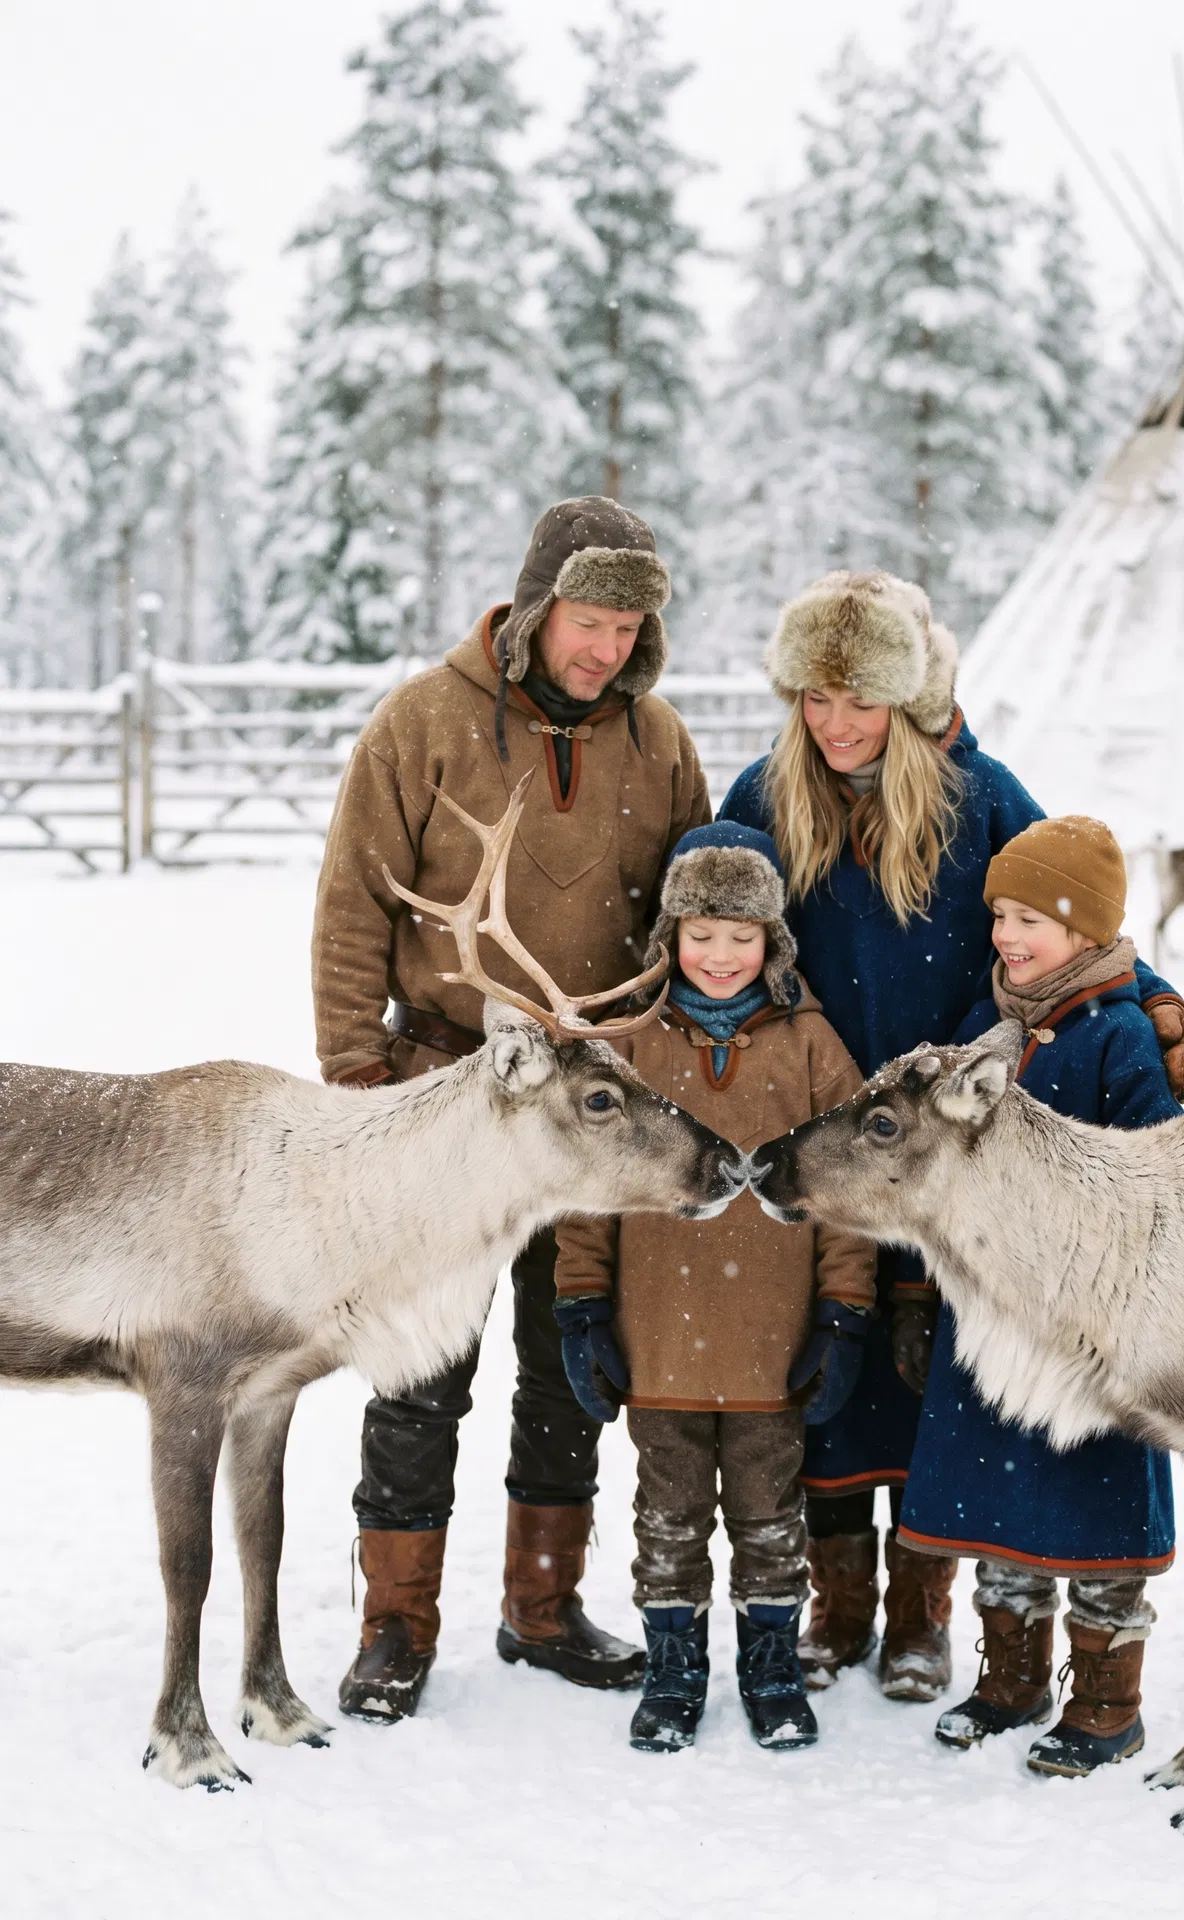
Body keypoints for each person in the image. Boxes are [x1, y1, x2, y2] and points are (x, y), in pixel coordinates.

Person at [719, 570, 1184, 1703]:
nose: (836, 725)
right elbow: (709, 907)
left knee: (936, 1375)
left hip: (952, 1146)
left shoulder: (975, 793)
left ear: (905, 699)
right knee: (831, 1376)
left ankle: (920, 1614)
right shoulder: (764, 792)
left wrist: (1157, 999)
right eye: (816, 700)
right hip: (823, 1135)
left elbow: (1070, 914)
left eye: (860, 702)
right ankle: (839, 1604)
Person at [311, 496, 710, 1721]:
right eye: (590, 622)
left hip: (593, 1108)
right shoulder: (423, 723)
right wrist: (355, 1075)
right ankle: (396, 1622)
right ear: (539, 608)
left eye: (629, 625)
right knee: (421, 1367)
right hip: (444, 1091)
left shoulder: (658, 741)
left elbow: (696, 908)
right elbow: (349, 910)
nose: (607, 648)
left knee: (568, 1360)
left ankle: (542, 1605)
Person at [553, 822, 878, 1753]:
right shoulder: (630, 1048)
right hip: (656, 1336)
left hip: (775, 1343)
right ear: (669, 938)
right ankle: (673, 1663)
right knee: (667, 1510)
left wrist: (844, 1314)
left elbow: (849, 1192)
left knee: (773, 1512)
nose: (722, 955)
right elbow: (589, 1193)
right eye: (702, 933)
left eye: (743, 936)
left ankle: (771, 1663)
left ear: (774, 941)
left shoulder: (814, 1047)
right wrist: (582, 1308)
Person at [898, 815, 1179, 1776]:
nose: (1011, 937)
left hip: (1093, 1330)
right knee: (1000, 1498)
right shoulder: (994, 1032)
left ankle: (1107, 1699)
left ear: (1089, 932)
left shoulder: (1120, 1037)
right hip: (997, 1321)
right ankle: (1011, 1676)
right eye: (1004, 916)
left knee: (1099, 1506)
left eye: (1037, 920)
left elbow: (1159, 1171)